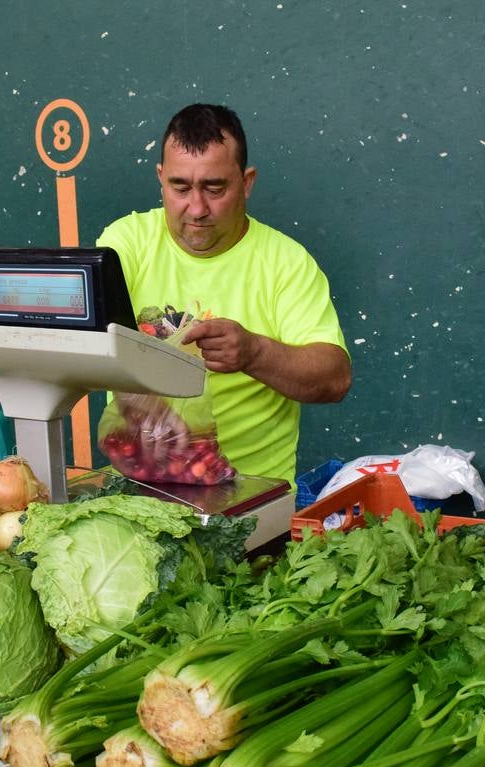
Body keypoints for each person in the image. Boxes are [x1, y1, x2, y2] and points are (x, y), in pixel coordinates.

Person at [97, 103, 351, 484]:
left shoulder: (286, 262)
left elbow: (335, 378)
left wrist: (254, 352)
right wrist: (145, 409)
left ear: (246, 182)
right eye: (180, 187)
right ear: (161, 179)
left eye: (214, 188)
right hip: (138, 481)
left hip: (250, 495)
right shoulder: (126, 242)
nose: (196, 208)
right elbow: (88, 339)